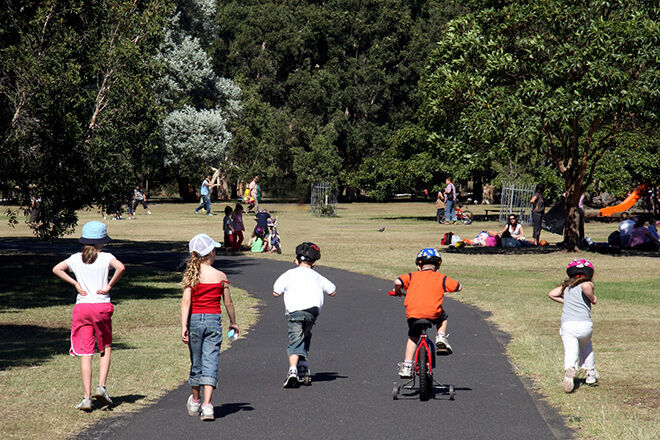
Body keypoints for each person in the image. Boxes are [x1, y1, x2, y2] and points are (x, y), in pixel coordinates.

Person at [52, 221, 126, 411]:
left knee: (85, 352)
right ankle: (101, 387)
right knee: (105, 346)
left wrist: (75, 284)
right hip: (101, 306)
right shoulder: (106, 257)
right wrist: (109, 285)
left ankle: (86, 397)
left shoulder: (76, 258)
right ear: (102, 241)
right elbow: (121, 268)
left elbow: (57, 268)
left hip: (82, 307)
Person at [180, 233, 239, 421]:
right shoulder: (220, 276)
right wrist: (233, 322)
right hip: (213, 320)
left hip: (194, 321)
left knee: (196, 361)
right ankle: (207, 405)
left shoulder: (192, 275)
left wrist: (184, 326)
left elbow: (186, 301)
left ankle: (195, 400)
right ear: (211, 252)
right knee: (211, 361)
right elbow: (228, 303)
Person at [273, 242, 336, 388]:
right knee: (305, 335)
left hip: (295, 312)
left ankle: (292, 370)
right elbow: (332, 290)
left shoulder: (288, 274)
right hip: (312, 313)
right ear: (314, 263)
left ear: (296, 261)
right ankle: (302, 364)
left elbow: (275, 292)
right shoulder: (317, 276)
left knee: (295, 340)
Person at [391, 248, 462, 378]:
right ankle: (440, 336)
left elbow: (397, 282)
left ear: (419, 266)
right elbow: (458, 287)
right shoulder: (441, 278)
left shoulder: (412, 276)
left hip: (414, 314)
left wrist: (398, 291)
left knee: (413, 337)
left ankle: (407, 366)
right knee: (443, 317)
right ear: (438, 266)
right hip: (433, 313)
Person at [548, 259, 599, 393]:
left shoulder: (566, 287)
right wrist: (593, 298)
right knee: (587, 347)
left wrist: (565, 301)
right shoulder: (587, 284)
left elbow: (551, 294)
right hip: (584, 325)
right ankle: (590, 374)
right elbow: (586, 287)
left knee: (570, 350)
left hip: (567, 325)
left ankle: (570, 369)